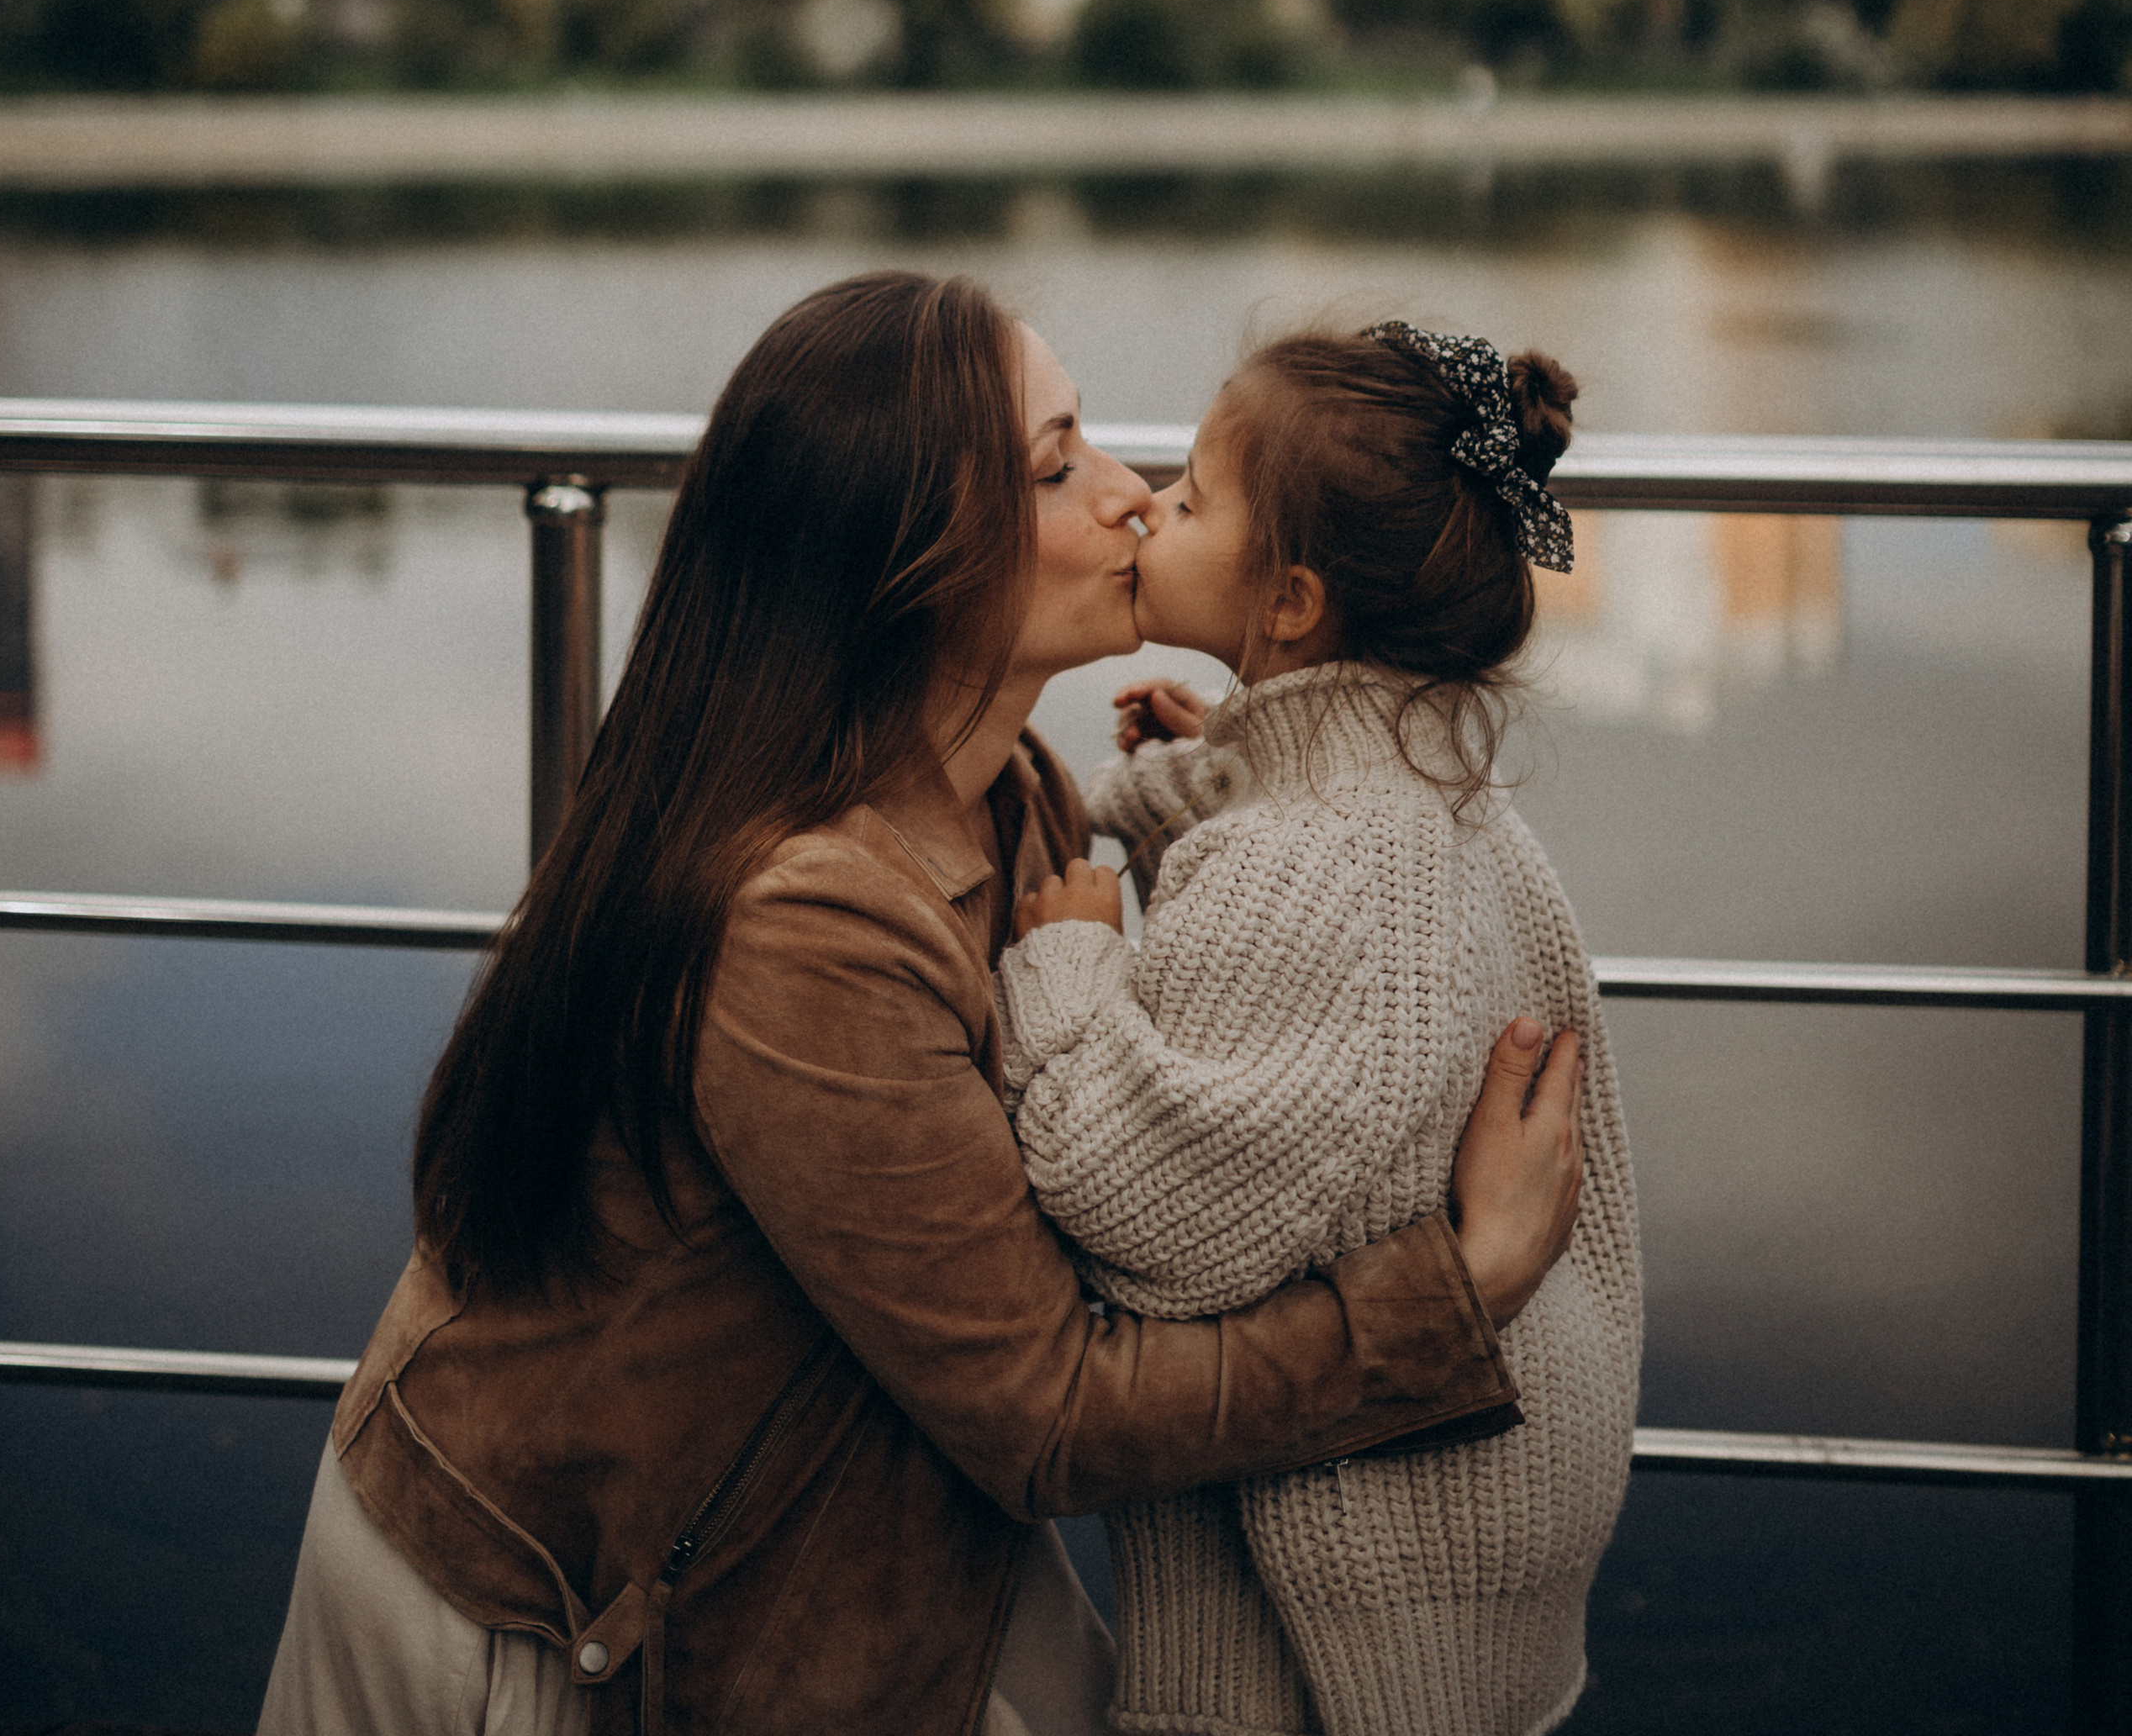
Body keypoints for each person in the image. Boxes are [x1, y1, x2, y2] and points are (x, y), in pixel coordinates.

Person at [258, 274, 1585, 1736]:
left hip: (853, 1534)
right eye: (1057, 464)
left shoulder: (1017, 792)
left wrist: (1261, 772)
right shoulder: (804, 919)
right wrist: (1455, 1296)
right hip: (553, 1614)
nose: (1136, 499)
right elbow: (1050, 1412)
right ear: (907, 559)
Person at [998, 321, 1640, 1736]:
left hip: (1319, 1638)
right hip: (1465, 1514)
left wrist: (1067, 969)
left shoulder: (1307, 868)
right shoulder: (1420, 792)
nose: (1146, 505)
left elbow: (1133, 1209)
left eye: (1193, 496)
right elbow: (1322, 1026)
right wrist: (1208, 782)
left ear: (1287, 602)